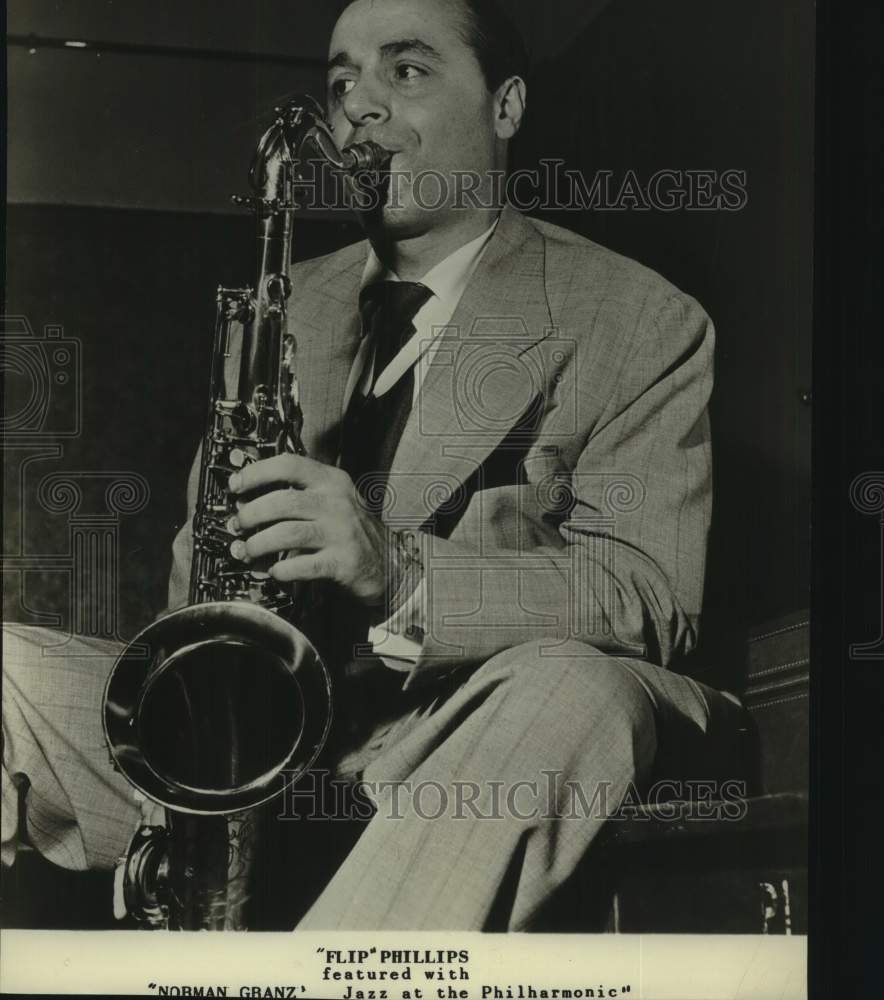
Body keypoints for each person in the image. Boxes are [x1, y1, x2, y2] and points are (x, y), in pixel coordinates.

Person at [2, 0, 744, 930]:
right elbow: (204, 569)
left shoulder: (638, 316)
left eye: (407, 70)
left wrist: (396, 570)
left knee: (570, 684)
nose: (359, 107)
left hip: (465, 736)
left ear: (506, 105)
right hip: (280, 743)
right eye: (343, 79)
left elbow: (651, 596)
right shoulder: (287, 302)